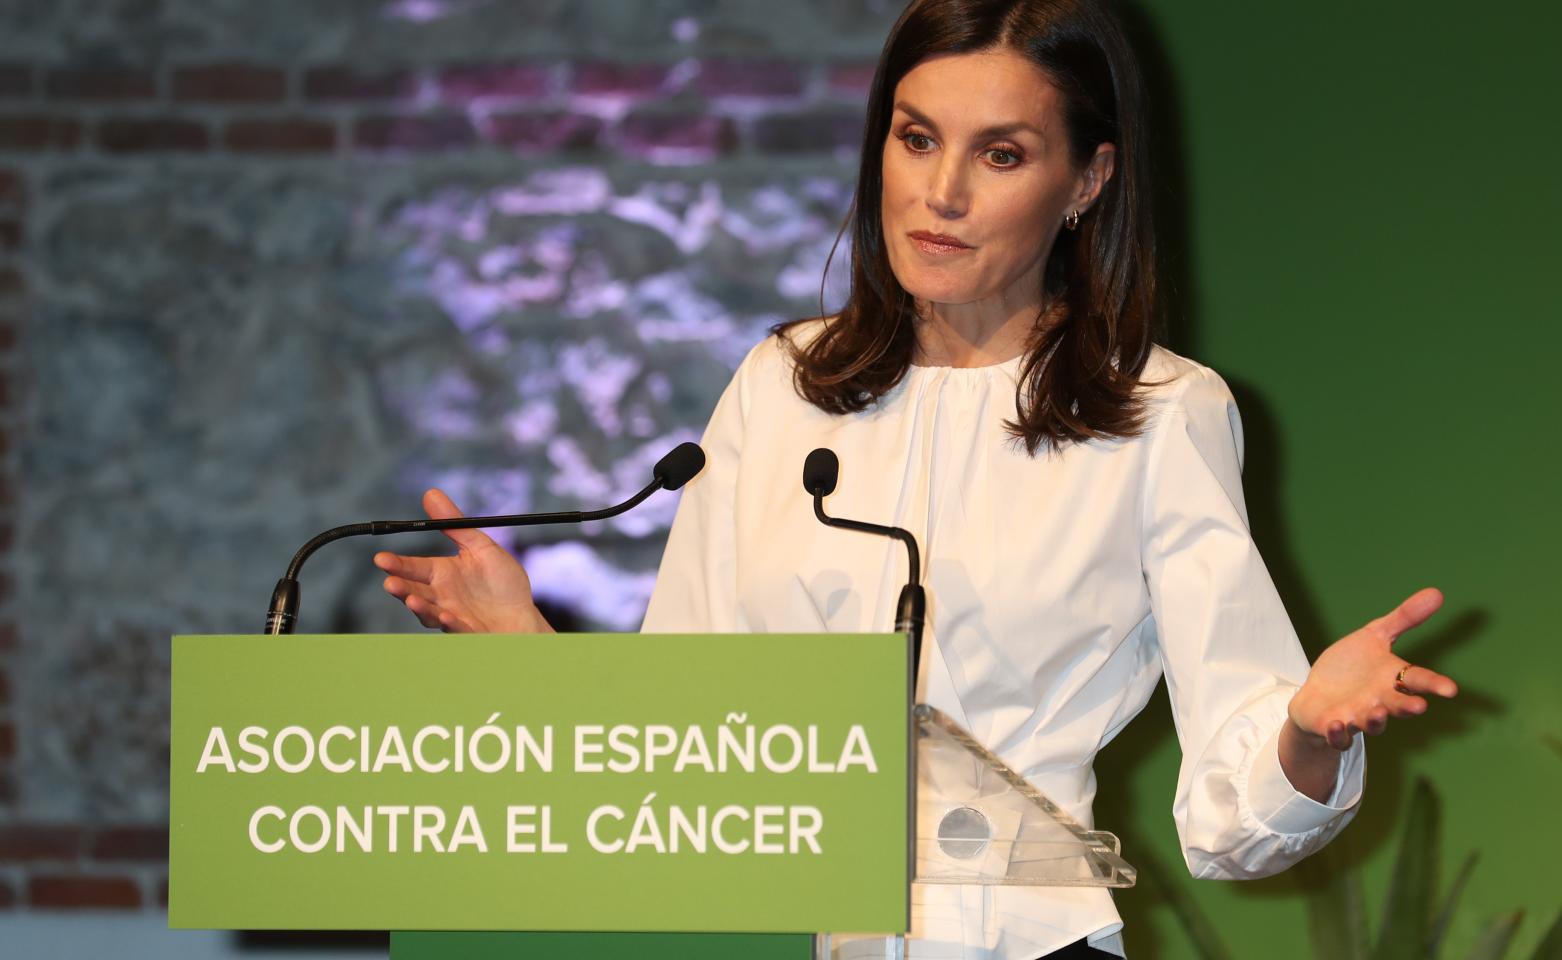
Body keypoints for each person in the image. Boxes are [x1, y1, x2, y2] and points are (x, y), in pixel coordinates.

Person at [374, 0, 1461, 956]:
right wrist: (527, 654)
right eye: (915, 138)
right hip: (774, 938)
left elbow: (1233, 801)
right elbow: (684, 738)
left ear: (1085, 180)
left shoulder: (1161, 413)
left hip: (1024, 942)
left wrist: (1304, 734)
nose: (938, 193)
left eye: (1000, 154)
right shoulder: (780, 385)